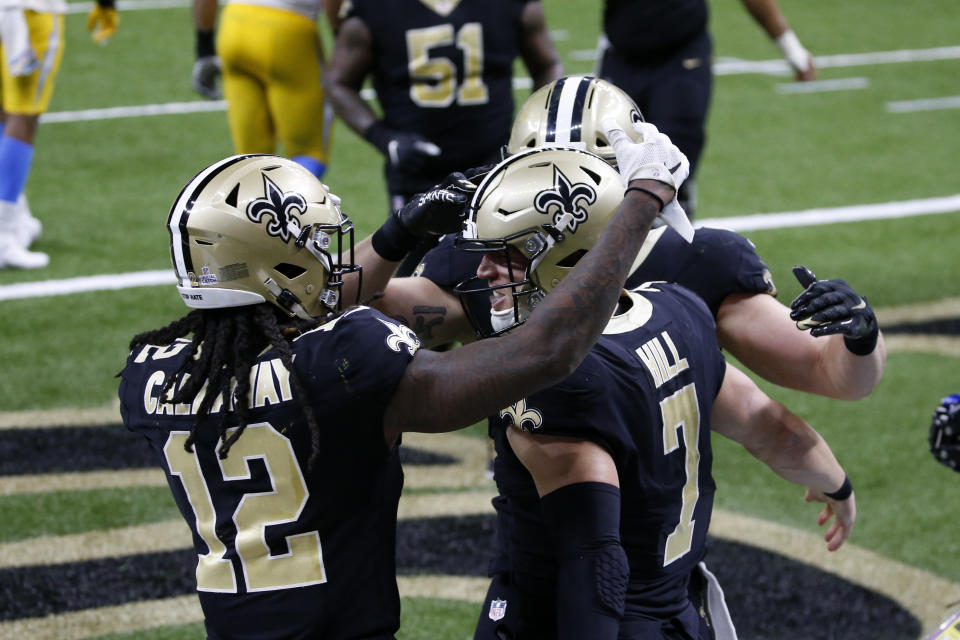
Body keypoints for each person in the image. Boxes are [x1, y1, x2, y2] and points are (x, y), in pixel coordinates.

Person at [118, 137, 685, 638]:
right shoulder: (344, 361)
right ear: (280, 264)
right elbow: (547, 350)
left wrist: (401, 231)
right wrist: (643, 198)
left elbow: (301, 319)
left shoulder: (151, 376)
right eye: (316, 244)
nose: (331, 257)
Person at [454, 137, 855, 639]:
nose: (482, 272)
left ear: (568, 255)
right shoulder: (677, 308)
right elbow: (764, 426)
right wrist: (836, 482)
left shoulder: (554, 382)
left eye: (505, 257)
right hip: (681, 617)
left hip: (574, 620)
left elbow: (594, 564)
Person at [323, 0, 563, 275]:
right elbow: (339, 82)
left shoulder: (512, 6)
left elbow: (547, 65)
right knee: (407, 276)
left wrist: (535, 126)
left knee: (507, 273)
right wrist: (384, 138)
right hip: (418, 173)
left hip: (495, 167)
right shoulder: (375, 10)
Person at [597, 0, 817, 219]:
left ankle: (676, 219)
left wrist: (790, 46)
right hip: (621, 53)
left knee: (671, 168)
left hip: (681, 55)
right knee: (609, 172)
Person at [0, 0, 117, 269]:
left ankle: (15, 211)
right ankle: (4, 234)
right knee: (23, 116)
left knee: (3, 111)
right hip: (31, 10)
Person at [190, 0, 333, 178]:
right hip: (288, 30)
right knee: (309, 154)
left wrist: (204, 48)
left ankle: (252, 204)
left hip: (235, 24)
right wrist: (341, 34)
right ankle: (294, 203)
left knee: (250, 160)